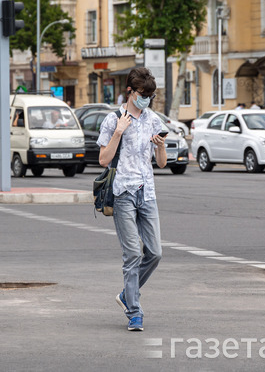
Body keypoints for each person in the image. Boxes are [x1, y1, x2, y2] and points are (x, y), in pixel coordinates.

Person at [96, 67, 166, 332]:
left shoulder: (153, 119)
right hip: (123, 193)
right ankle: (134, 312)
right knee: (133, 254)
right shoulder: (113, 119)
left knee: (156, 253)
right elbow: (103, 160)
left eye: (150, 95)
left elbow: (160, 164)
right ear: (130, 91)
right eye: (142, 94)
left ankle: (127, 294)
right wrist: (118, 132)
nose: (146, 99)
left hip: (147, 193)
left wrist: (160, 147)